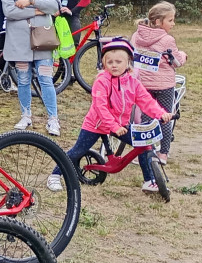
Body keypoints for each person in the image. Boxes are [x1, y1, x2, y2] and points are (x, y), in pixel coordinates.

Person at [46, 37, 172, 194]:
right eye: (110, 62)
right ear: (104, 63)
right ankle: (55, 175)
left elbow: (146, 100)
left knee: (144, 143)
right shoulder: (102, 81)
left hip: (121, 125)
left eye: (119, 62)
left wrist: (161, 114)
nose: (114, 65)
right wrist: (113, 126)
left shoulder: (132, 82)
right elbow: (100, 107)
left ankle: (149, 181)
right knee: (78, 150)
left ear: (128, 63)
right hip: (97, 124)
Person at [1, 0, 62, 135]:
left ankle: (53, 119)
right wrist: (38, 11)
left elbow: (54, 6)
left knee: (45, 79)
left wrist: (31, 2)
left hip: (43, 41)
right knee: (23, 79)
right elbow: (9, 11)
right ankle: (26, 115)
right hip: (19, 43)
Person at [130, 2, 186, 165]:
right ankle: (163, 153)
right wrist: (183, 55)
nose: (173, 24)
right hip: (164, 86)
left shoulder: (136, 36)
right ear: (158, 22)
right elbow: (175, 62)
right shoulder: (168, 39)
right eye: (170, 20)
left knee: (146, 119)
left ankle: (147, 151)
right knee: (164, 117)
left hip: (143, 85)